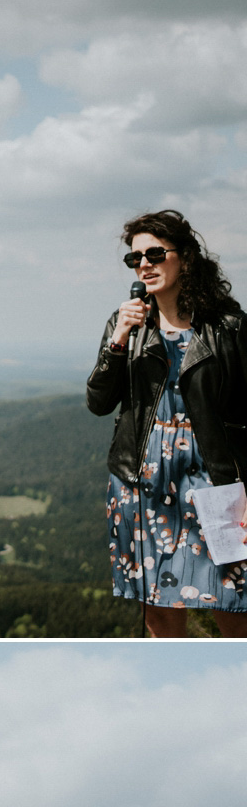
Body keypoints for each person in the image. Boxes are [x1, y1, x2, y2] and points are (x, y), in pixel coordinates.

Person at [87, 209, 247, 636]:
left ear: (187, 259)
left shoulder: (228, 328)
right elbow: (98, 401)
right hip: (142, 481)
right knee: (158, 607)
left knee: (231, 602)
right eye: (135, 257)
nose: (144, 264)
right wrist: (119, 339)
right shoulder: (126, 327)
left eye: (156, 253)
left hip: (214, 481)